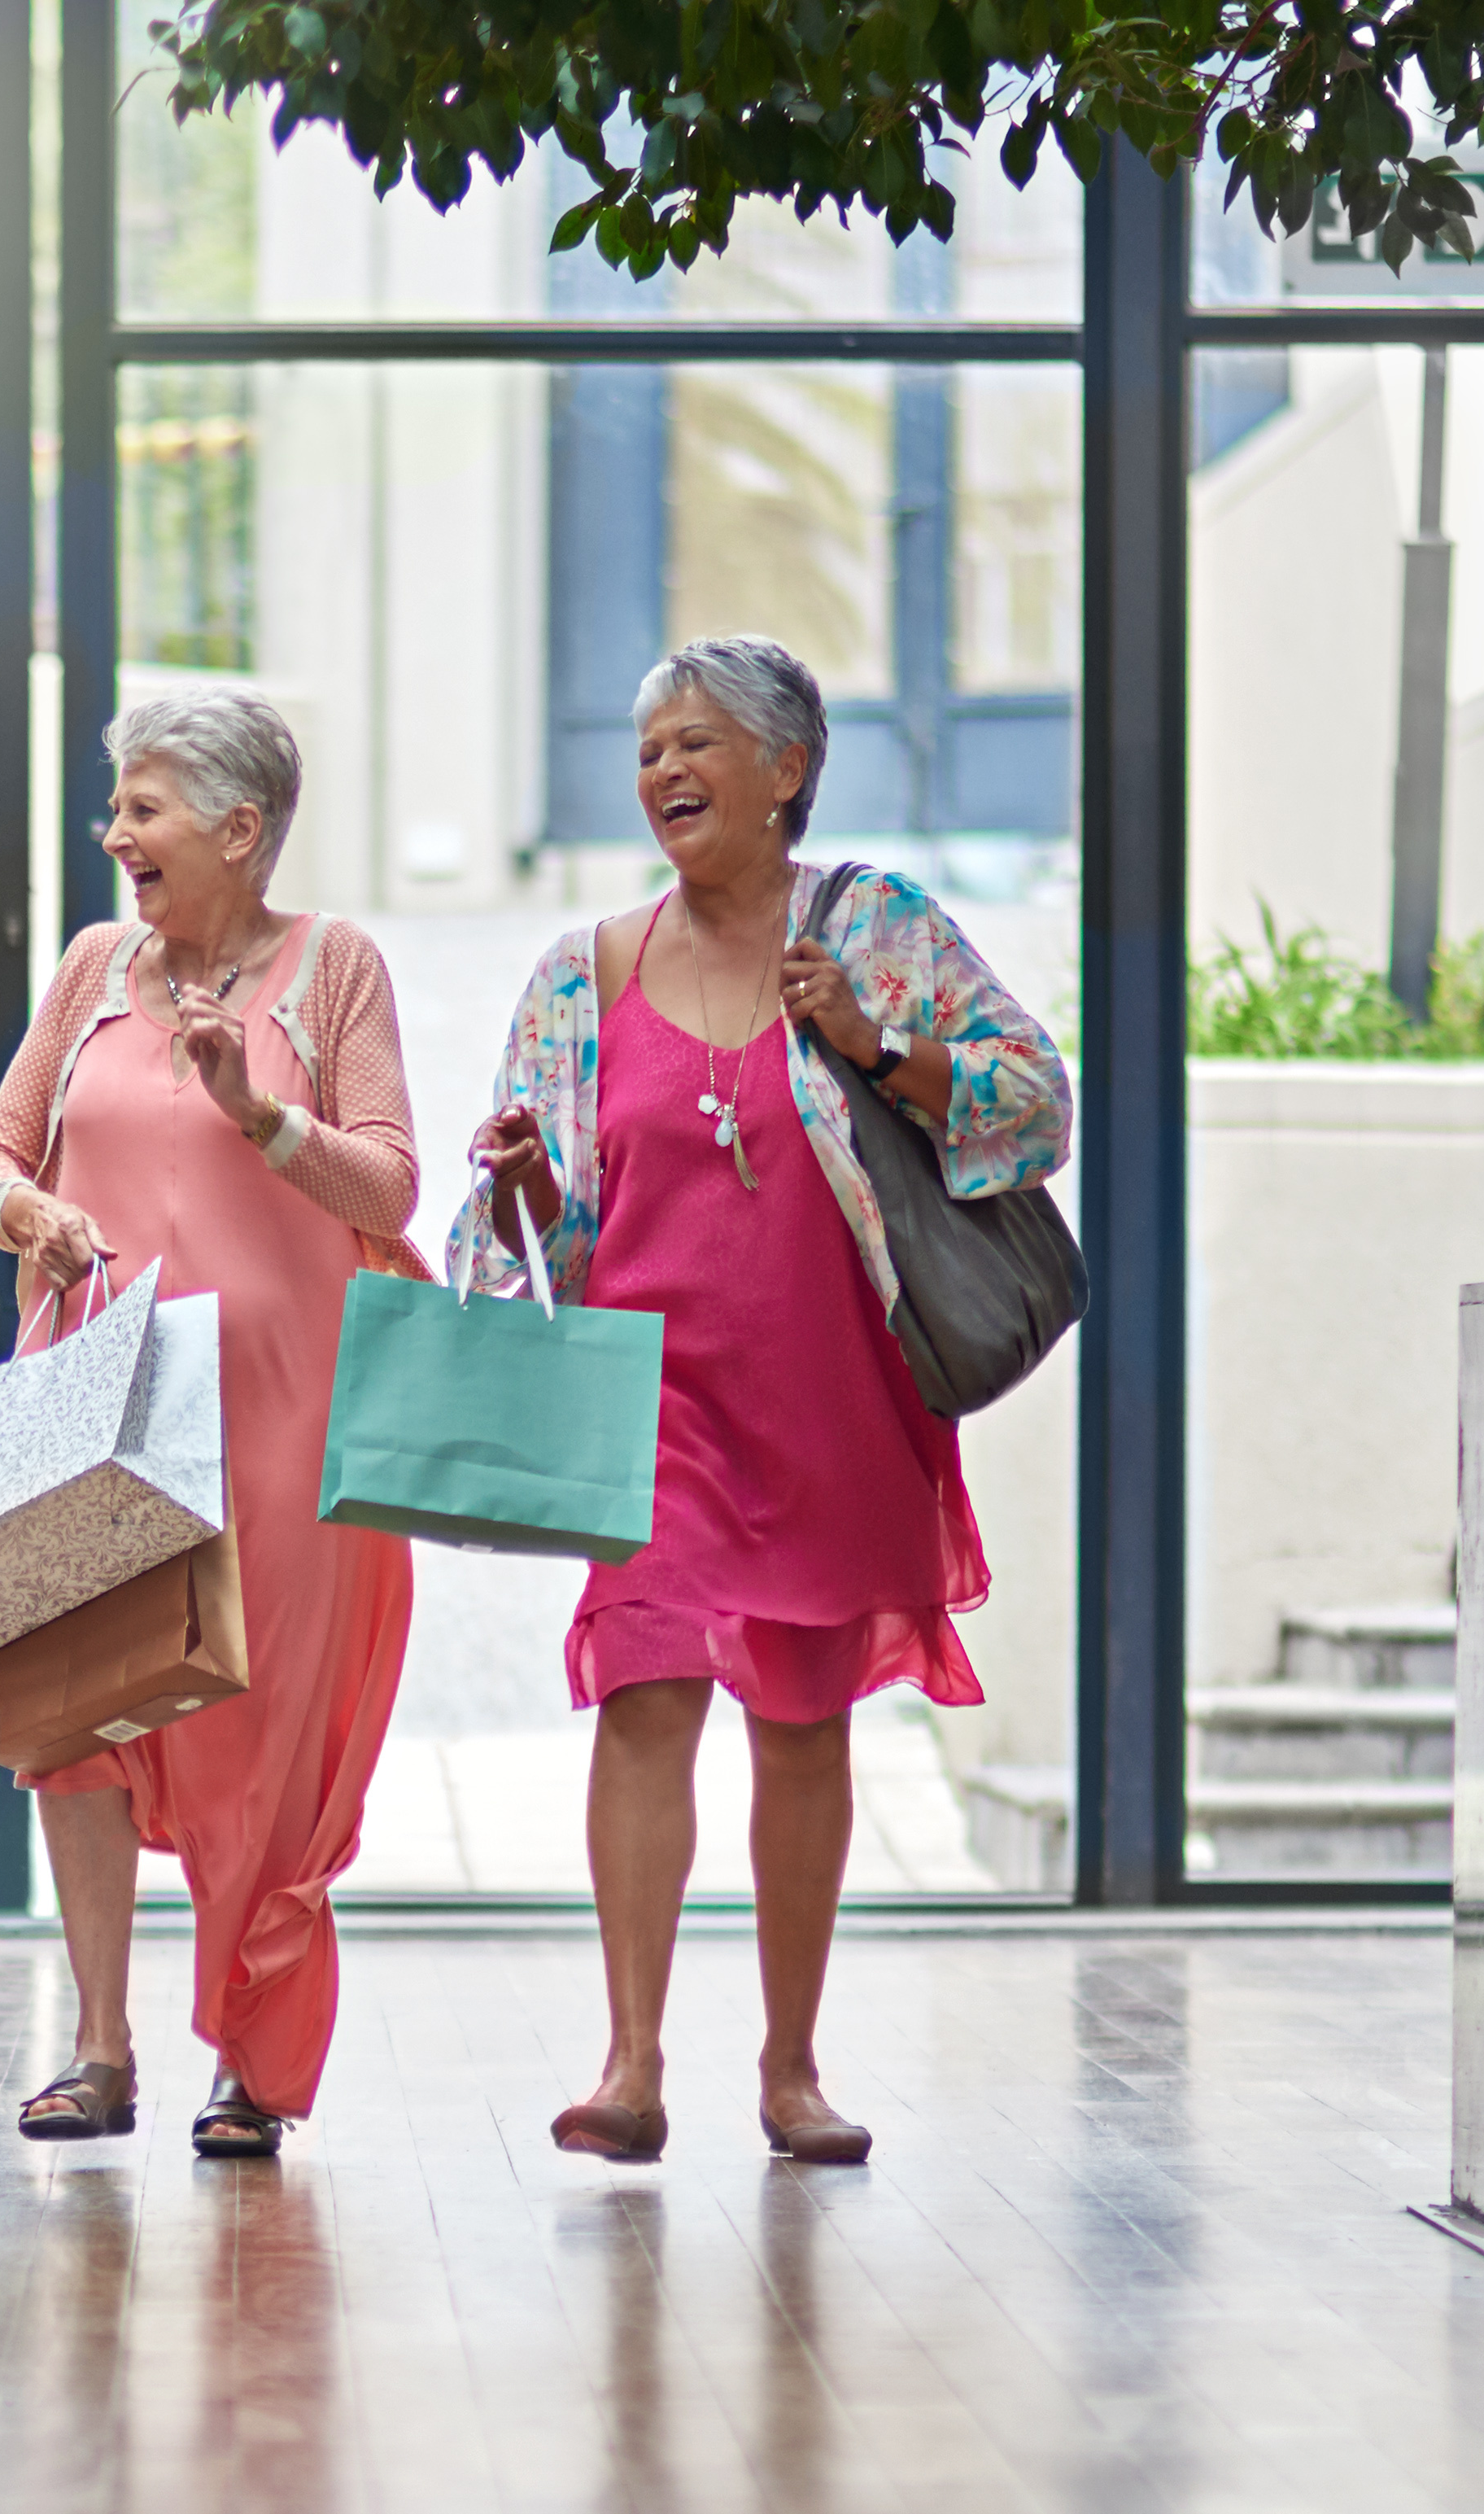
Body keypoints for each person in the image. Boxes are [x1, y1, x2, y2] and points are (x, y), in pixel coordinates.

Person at [458, 634, 1071, 2166]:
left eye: (698, 743)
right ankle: (630, 2065)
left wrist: (879, 1047)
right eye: (649, 744)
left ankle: (792, 2069)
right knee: (644, 1688)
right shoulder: (583, 973)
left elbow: (1036, 1104)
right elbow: (531, 1251)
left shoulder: (877, 930)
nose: (663, 768)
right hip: (649, 1403)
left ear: (788, 768)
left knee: (802, 1723)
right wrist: (527, 1182)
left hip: (832, 1401)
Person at [0, 690, 420, 2158]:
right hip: (94, 1396)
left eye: (142, 808)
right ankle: (100, 2048)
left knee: (258, 1738)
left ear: (240, 825)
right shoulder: (97, 966)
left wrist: (258, 1112)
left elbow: (392, 1190)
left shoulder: (335, 968)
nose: (115, 837)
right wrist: (24, 1209)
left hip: (283, 1424)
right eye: (115, 808)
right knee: (73, 1725)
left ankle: (251, 2050)